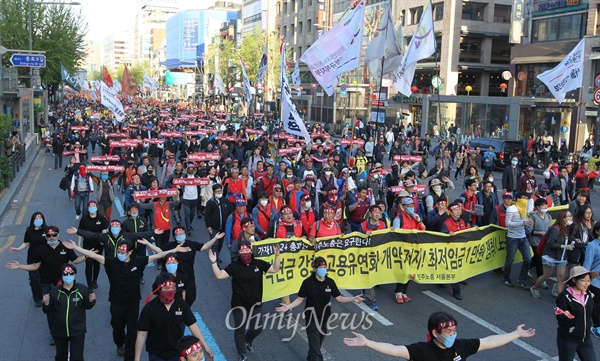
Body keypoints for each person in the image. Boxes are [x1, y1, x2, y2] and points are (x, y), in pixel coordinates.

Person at [61, 239, 188, 361]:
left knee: (132, 333)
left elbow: (158, 255)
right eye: (119, 252)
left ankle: (129, 358)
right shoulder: (112, 262)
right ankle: (119, 343)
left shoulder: (138, 262)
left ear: (130, 252)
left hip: (133, 303)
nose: (120, 254)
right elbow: (93, 256)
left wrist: (175, 249)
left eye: (123, 252)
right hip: (116, 302)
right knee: (117, 328)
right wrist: (76, 248)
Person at [343, 311, 535, 360]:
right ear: (435, 333)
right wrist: (368, 342)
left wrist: (515, 334)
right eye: (448, 332)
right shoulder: (421, 351)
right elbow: (394, 350)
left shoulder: (461, 346)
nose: (453, 335)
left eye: (454, 331)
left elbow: (489, 341)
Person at [275, 257, 365, 361]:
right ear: (315, 268)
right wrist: (288, 306)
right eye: (320, 267)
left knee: (317, 345)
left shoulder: (330, 282)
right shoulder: (307, 283)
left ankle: (311, 356)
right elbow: (300, 299)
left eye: (324, 267)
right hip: (311, 319)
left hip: (324, 318)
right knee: (317, 353)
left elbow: (339, 298)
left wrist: (353, 299)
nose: (323, 269)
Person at [208, 242, 281, 361]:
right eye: (242, 251)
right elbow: (219, 275)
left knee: (258, 327)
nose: (244, 253)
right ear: (238, 253)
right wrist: (213, 262)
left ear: (251, 251)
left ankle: (248, 339)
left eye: (246, 251)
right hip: (239, 303)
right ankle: (242, 353)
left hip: (256, 303)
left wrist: (277, 256)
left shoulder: (258, 263)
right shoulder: (234, 266)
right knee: (240, 329)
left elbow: (274, 269)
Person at [134, 273, 213, 361]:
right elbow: (141, 334)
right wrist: (137, 358)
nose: (170, 291)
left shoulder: (181, 304)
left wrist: (206, 346)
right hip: (156, 354)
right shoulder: (149, 308)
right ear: (159, 289)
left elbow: (193, 325)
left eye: (173, 288)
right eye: (167, 288)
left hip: (177, 353)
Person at [42, 264, 96, 361]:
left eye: (71, 273)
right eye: (65, 274)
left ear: (75, 274)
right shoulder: (54, 292)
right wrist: (46, 304)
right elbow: (48, 310)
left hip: (77, 330)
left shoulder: (82, 290)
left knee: (77, 357)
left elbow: (87, 306)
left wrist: (91, 301)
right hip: (59, 331)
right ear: (61, 276)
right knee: (61, 356)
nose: (68, 276)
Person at [556, 266, 598, 361]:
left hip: (585, 339)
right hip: (568, 339)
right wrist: (564, 316)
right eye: (583, 280)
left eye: (588, 280)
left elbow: (594, 312)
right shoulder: (564, 297)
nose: (587, 283)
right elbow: (559, 317)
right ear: (574, 280)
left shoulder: (589, 294)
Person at [9, 211, 48, 306]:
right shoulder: (29, 232)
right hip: (33, 258)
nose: (38, 220)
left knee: (45, 278)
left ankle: (47, 295)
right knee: (35, 279)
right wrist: (17, 249)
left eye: (40, 218)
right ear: (33, 220)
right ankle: (38, 298)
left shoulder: (47, 230)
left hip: (45, 258)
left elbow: (52, 240)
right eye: (36, 218)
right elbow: (26, 243)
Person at [531, 210, 573, 299]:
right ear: (563, 218)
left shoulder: (566, 228)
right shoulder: (556, 229)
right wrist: (564, 246)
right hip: (550, 256)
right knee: (546, 276)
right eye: (569, 216)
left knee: (561, 277)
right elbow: (550, 243)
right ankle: (535, 288)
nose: (571, 218)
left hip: (561, 257)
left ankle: (560, 299)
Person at [503, 192, 533, 289]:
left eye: (526, 198)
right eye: (523, 198)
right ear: (518, 199)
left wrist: (529, 219)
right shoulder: (511, 209)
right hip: (512, 238)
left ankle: (521, 279)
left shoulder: (525, 208)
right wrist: (522, 223)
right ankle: (506, 278)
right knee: (510, 259)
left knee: (528, 259)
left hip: (523, 237)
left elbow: (526, 218)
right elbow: (508, 224)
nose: (525, 200)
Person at [77, 201, 108, 288]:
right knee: (89, 264)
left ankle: (95, 280)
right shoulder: (84, 219)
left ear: (97, 207)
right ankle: (89, 284)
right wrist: (79, 245)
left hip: (98, 245)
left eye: (94, 206)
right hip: (87, 245)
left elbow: (104, 231)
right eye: (90, 206)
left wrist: (103, 240)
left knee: (96, 264)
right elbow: (80, 232)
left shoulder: (101, 218)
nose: (92, 207)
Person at [583, 222, 600, 338]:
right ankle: (597, 328)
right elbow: (586, 267)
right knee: (596, 306)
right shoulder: (592, 246)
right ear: (597, 231)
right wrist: (586, 281)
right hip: (595, 282)